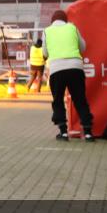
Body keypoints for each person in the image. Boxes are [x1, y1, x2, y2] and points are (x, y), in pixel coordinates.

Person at [43, 9, 94, 141]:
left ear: (52, 21)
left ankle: (63, 132)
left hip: (56, 69)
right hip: (75, 67)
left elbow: (45, 53)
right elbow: (83, 47)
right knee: (80, 99)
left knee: (58, 100)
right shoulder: (72, 27)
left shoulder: (47, 31)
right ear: (65, 20)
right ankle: (88, 132)